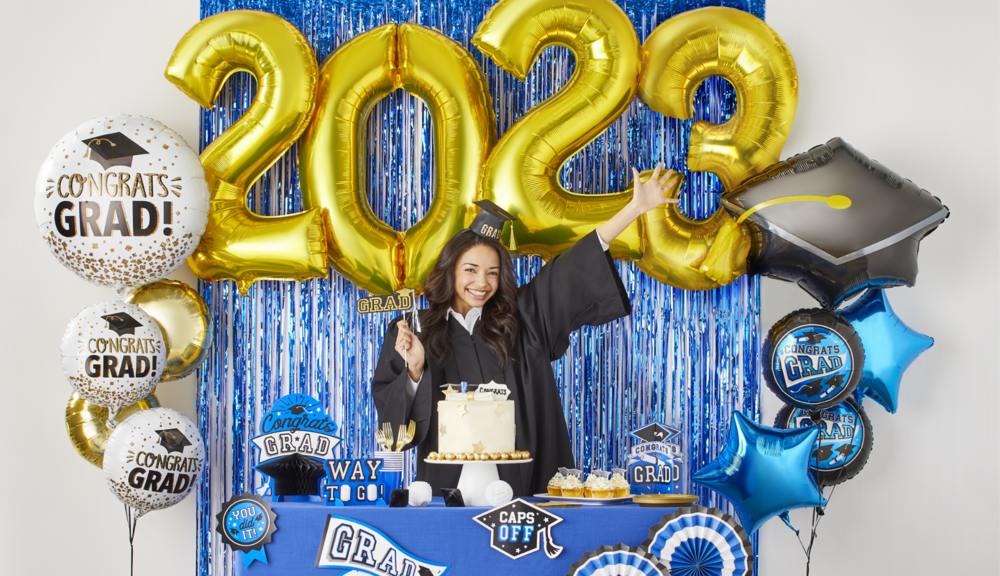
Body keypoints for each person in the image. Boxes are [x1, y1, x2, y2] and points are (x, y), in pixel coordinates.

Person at [372, 164, 681, 496]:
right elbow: (393, 432)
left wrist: (634, 208)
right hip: (448, 488)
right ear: (449, 271)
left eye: (492, 272)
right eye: (471, 270)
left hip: (527, 482)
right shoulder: (414, 330)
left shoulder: (522, 318)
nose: (481, 283)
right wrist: (415, 371)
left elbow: (572, 268)